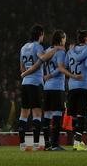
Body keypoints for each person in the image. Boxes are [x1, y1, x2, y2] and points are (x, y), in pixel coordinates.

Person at [17, 23, 58, 151]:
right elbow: (43, 57)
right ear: (40, 34)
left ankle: (22, 144)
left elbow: (22, 68)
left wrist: (26, 73)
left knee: (24, 114)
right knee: (37, 113)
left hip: (25, 83)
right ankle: (35, 144)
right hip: (35, 83)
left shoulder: (23, 47)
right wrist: (55, 50)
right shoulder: (37, 46)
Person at [42, 30, 73, 151]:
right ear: (60, 39)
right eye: (64, 38)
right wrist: (50, 75)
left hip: (47, 87)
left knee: (47, 115)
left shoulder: (47, 50)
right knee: (57, 114)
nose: (65, 40)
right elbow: (60, 68)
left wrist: (46, 76)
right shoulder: (60, 51)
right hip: (57, 87)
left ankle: (47, 144)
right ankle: (55, 144)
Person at [67, 30, 87, 150]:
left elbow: (66, 65)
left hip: (72, 86)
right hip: (84, 85)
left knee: (75, 116)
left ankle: (77, 141)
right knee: (85, 114)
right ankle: (81, 142)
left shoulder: (70, 50)